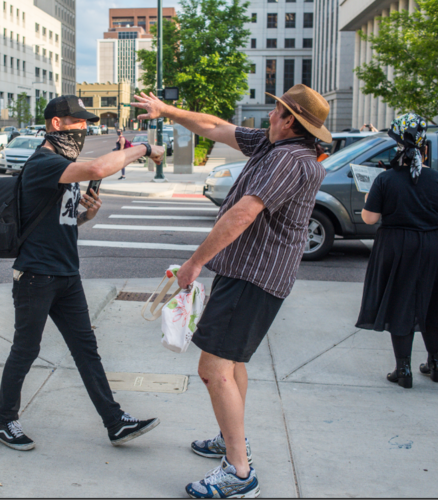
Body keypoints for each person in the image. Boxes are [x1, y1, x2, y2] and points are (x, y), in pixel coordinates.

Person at [132, 85, 330, 499]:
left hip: (253, 279)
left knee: (213, 369)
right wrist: (165, 109)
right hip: (249, 274)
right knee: (233, 363)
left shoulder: (289, 160)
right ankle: (230, 437)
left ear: (288, 119)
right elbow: (215, 128)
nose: (269, 116)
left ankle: (239, 473)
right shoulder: (276, 146)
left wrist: (195, 261)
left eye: (276, 111)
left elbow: (243, 213)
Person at [0, 95, 165, 451]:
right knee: (26, 350)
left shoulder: (62, 163)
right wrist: (144, 148)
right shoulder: (43, 162)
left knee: (87, 350)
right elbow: (100, 168)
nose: (84, 128)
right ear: (56, 124)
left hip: (67, 275)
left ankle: (115, 422)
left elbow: (63, 222)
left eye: (86, 123)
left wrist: (89, 214)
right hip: (36, 276)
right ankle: (5, 421)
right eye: (78, 122)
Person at [356, 113, 438, 389]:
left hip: (398, 246)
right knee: (434, 302)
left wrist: (370, 196)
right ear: (425, 149)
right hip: (437, 246)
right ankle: (436, 364)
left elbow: (369, 218)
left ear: (397, 148)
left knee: (400, 302)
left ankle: (403, 369)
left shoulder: (385, 180)